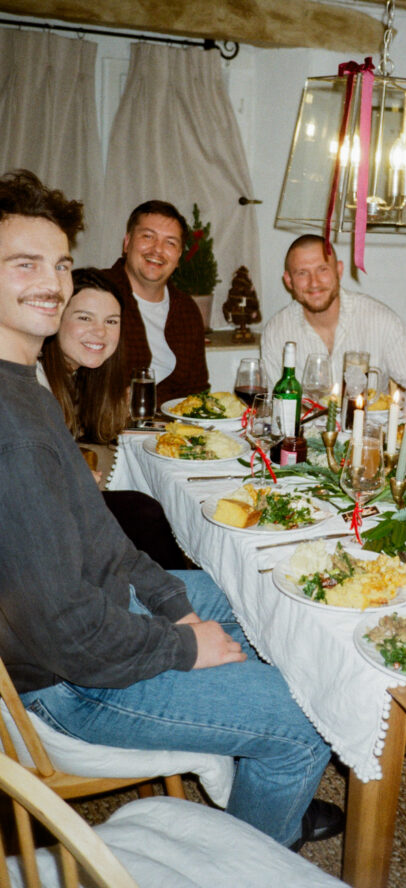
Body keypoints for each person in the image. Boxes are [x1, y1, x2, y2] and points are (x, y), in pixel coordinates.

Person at [0, 170, 340, 849]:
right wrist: (182, 645)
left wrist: (170, 604)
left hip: (96, 618)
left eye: (60, 264)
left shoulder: (25, 383)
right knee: (305, 720)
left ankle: (252, 782)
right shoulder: (16, 433)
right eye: (24, 264)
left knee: (253, 598)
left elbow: (100, 537)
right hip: (71, 684)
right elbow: (69, 634)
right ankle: (251, 849)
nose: (53, 283)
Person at [39, 266, 186, 569]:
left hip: (64, 507)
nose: (100, 332)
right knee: (145, 512)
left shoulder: (84, 374)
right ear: (57, 318)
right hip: (41, 525)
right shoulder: (36, 378)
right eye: (84, 318)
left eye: (111, 321)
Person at [261, 235, 406, 419]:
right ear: (289, 280)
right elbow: (277, 405)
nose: (314, 283)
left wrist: (397, 430)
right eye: (302, 273)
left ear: (339, 270)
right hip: (306, 435)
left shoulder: (379, 319)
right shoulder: (276, 333)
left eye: (322, 269)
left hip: (371, 434)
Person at [103, 201, 209, 405]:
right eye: (148, 236)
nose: (157, 249)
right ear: (127, 243)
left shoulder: (186, 310)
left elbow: (197, 390)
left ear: (179, 256)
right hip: (105, 421)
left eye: (170, 243)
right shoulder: (97, 291)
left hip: (171, 423)